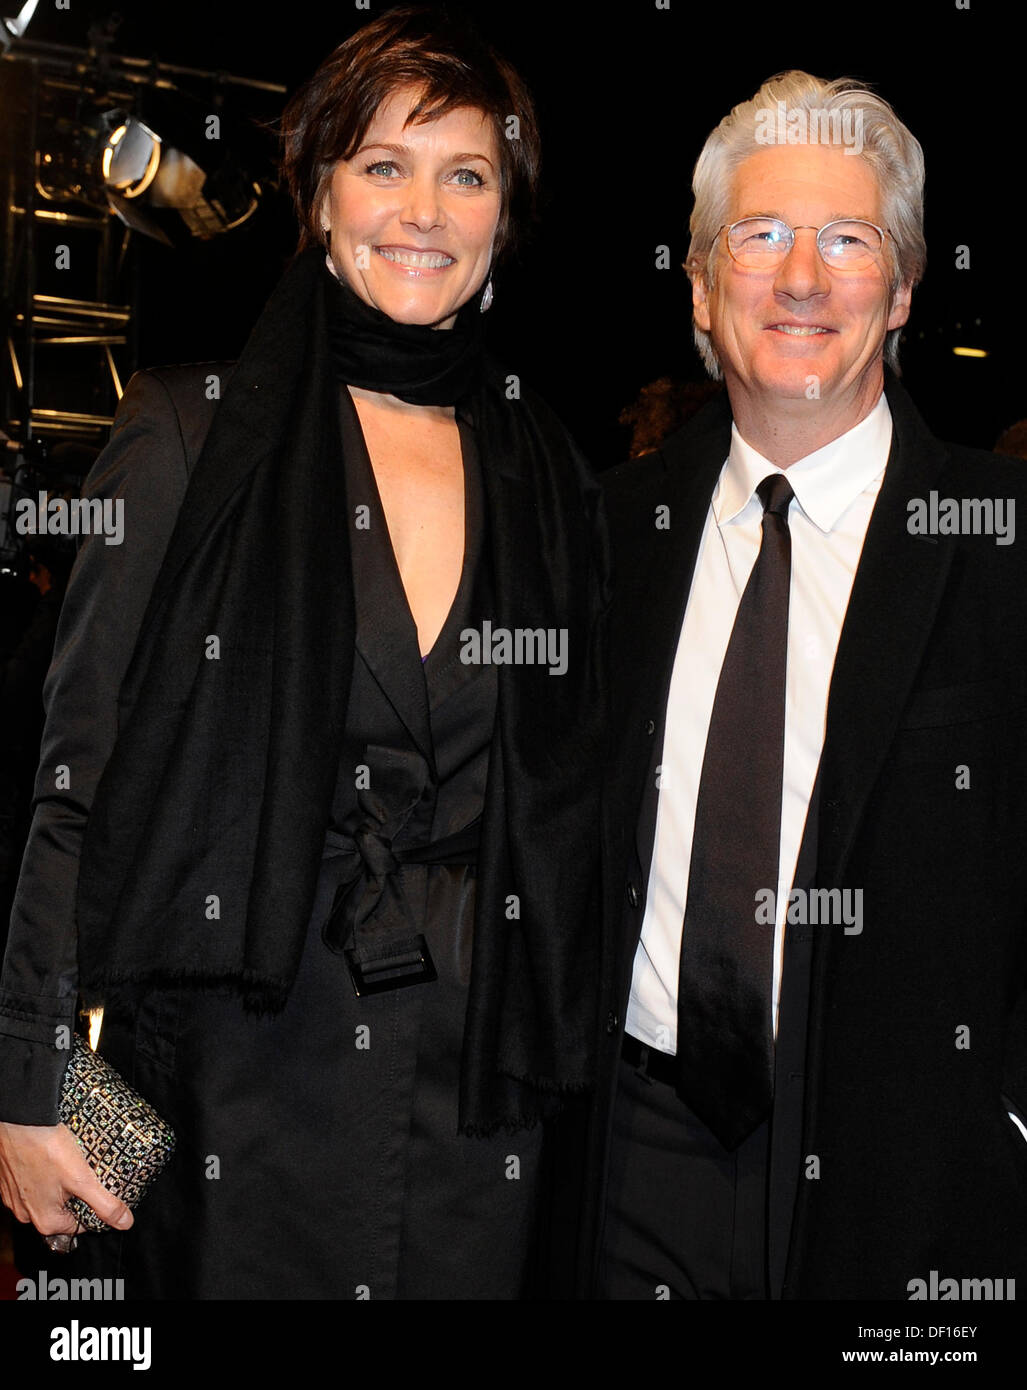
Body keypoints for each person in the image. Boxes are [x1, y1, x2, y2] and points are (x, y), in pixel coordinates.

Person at [0, 6, 606, 1300]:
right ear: (317, 193)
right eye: (381, 165)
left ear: (506, 212)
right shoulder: (188, 432)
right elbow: (78, 787)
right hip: (228, 1069)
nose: (422, 210)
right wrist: (34, 1090)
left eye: (466, 173)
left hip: (474, 1094)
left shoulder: (550, 473)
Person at [587, 70, 1027, 1300]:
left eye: (847, 239)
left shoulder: (999, 544)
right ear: (697, 281)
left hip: (911, 1188)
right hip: (630, 1168)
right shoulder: (605, 537)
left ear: (901, 289)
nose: (798, 278)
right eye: (761, 236)